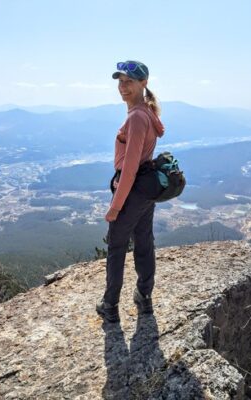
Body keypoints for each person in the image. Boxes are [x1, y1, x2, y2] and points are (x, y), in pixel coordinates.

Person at [96, 60, 165, 322]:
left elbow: (130, 166)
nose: (123, 87)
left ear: (143, 83)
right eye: (120, 81)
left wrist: (115, 206)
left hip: (133, 188)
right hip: (147, 189)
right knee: (144, 241)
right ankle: (144, 297)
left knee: (116, 245)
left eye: (129, 82)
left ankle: (110, 305)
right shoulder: (147, 112)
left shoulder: (137, 116)